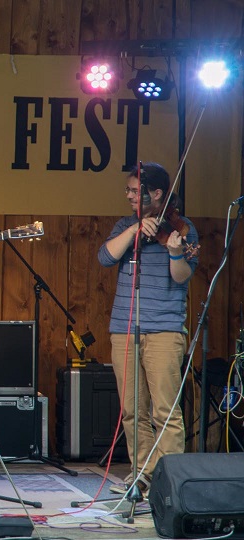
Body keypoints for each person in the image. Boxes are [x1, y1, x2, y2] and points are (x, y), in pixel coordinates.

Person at [98, 162, 196, 495]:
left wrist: (175, 253)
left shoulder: (183, 229)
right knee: (132, 409)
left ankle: (170, 484)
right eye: (127, 189)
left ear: (156, 194)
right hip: (125, 329)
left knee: (165, 410)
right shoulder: (125, 224)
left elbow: (181, 277)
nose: (127, 195)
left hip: (165, 330)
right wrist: (135, 230)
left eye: (133, 190)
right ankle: (141, 474)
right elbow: (105, 258)